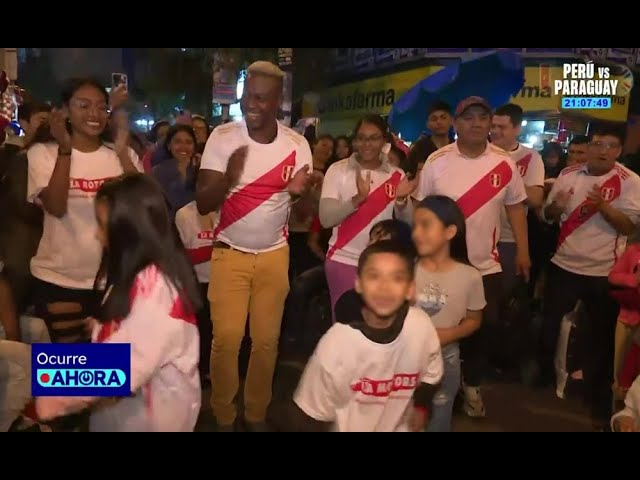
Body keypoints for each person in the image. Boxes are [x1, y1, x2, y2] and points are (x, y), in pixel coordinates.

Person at [196, 61, 313, 431]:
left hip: (274, 257)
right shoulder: (223, 137)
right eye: (248, 96)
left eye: (261, 98)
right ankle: (224, 413)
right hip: (229, 253)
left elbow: (305, 213)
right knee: (227, 340)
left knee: (266, 342)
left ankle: (256, 413)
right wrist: (229, 177)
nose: (251, 105)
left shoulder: (297, 145)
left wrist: (301, 194)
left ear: (278, 101)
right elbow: (202, 203)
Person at [35, 174, 202, 432]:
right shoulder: (135, 274)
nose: (97, 235)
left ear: (129, 231)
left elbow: (121, 363)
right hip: (126, 414)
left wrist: (44, 383)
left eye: (102, 225)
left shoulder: (159, 292)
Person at [413, 96, 529, 417]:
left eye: (482, 117)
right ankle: (431, 390)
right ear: (456, 123)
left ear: (490, 123)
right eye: (468, 118)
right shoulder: (438, 161)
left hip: (484, 265)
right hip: (440, 265)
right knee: (436, 327)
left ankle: (472, 385)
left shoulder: (504, 163)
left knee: (483, 327)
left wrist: (523, 250)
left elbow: (516, 207)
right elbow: (422, 209)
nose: (476, 124)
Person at [27, 77, 141, 344]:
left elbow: (143, 208)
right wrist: (65, 151)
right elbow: (56, 207)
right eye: (84, 105)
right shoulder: (43, 154)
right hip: (58, 280)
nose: (94, 114)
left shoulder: (120, 156)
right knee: (67, 375)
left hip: (112, 283)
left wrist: (123, 151)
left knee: (109, 376)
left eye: (102, 107)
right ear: (65, 111)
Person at [540, 126, 640, 428]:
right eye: (598, 144)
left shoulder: (630, 182)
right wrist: (555, 207)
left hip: (602, 270)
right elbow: (548, 215)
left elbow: (628, 227)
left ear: (619, 150)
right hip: (563, 264)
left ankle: (594, 392)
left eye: (611, 146)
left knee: (600, 336)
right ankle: (545, 379)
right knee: (549, 327)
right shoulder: (569, 175)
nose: (603, 151)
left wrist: (604, 207)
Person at [291, 241, 443, 432]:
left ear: (410, 290)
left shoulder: (421, 327)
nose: (384, 287)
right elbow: (313, 415)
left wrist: (421, 406)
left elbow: (432, 374)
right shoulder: (336, 344)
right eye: (374, 276)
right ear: (358, 284)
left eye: (397, 278)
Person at [320, 115, 416, 321]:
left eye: (373, 138)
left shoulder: (397, 175)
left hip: (381, 264)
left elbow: (407, 224)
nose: (366, 144)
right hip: (343, 260)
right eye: (361, 138)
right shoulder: (338, 170)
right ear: (354, 140)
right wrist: (358, 199)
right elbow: (326, 219)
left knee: (379, 325)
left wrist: (401, 200)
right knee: (345, 328)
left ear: (384, 142)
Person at [413, 196, 485, 432]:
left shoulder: (470, 276)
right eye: (415, 225)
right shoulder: (406, 269)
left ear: (450, 231)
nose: (417, 233)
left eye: (426, 225)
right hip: (406, 355)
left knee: (440, 413)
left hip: (446, 356)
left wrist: (449, 333)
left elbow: (474, 320)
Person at [491, 104, 545, 297]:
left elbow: (536, 199)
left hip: (509, 239)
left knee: (503, 295)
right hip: (480, 236)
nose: (495, 131)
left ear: (517, 128)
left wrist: (507, 178)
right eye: (493, 126)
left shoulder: (530, 158)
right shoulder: (482, 153)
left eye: (502, 127)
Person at [175, 199, 217, 382]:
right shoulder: (184, 214)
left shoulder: (228, 211)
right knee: (202, 332)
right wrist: (217, 248)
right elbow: (184, 256)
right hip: (197, 283)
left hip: (224, 282)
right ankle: (199, 371)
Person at [607, 240, 640, 401]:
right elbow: (612, 277)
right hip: (627, 320)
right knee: (620, 379)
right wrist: (633, 279)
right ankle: (617, 419)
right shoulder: (634, 251)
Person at [152, 125, 198, 215]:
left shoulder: (200, 170)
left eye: (188, 142)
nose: (183, 146)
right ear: (169, 146)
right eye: (178, 142)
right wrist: (181, 173)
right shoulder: (158, 172)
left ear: (194, 147)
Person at [407, 101, 454, 175]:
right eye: (434, 119)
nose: (439, 122)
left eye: (443, 118)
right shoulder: (419, 148)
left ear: (451, 121)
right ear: (428, 124)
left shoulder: (457, 147)